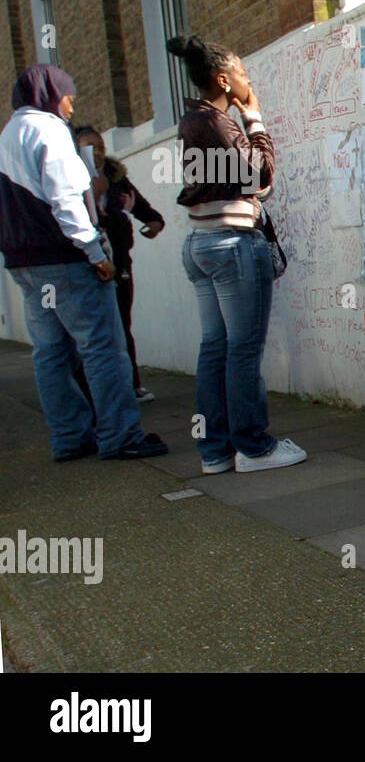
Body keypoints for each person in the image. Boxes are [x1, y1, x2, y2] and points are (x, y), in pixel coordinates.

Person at [0, 63, 167, 460]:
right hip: (65, 259)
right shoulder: (49, 130)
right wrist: (95, 252)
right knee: (104, 348)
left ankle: (70, 437)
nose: (71, 107)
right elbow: (65, 198)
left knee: (50, 351)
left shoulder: (7, 135)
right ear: (51, 96)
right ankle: (121, 436)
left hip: (25, 263)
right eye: (68, 96)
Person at [166, 35, 306, 474]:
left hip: (202, 243)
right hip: (231, 246)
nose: (249, 82)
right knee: (243, 350)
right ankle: (254, 448)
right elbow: (262, 175)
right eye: (243, 75)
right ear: (224, 80)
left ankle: (215, 451)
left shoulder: (193, 120)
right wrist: (255, 118)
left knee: (216, 347)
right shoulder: (219, 124)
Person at [74, 125, 165, 403]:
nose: (97, 151)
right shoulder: (69, 179)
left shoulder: (115, 178)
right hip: (90, 265)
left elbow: (142, 208)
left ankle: (131, 383)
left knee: (122, 322)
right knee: (93, 331)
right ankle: (92, 392)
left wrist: (153, 222)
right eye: (89, 146)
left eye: (100, 145)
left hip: (120, 262)